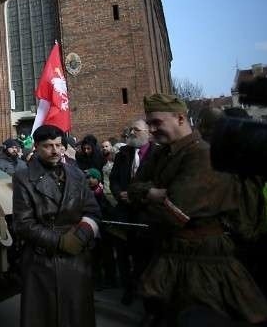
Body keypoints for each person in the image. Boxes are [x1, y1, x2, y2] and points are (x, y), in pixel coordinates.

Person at [128, 93, 267, 325]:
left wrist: (148, 198)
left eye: (157, 123)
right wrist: (150, 193)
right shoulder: (161, 154)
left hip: (205, 269)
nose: (151, 130)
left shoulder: (202, 154)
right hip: (172, 260)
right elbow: (132, 188)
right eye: (149, 123)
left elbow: (173, 213)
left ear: (181, 119)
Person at [12, 124, 101, 327]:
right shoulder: (23, 178)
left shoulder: (77, 175)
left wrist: (80, 236)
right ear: (36, 146)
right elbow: (23, 224)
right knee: (45, 316)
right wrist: (60, 242)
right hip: (42, 259)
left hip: (77, 258)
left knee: (76, 315)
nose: (55, 150)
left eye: (59, 145)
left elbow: (93, 211)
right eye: (48, 145)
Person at [109, 118, 158, 306]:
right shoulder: (123, 153)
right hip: (123, 214)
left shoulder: (158, 154)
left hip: (145, 215)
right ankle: (128, 289)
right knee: (122, 254)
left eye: (136, 130)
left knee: (144, 257)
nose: (131, 133)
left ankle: (147, 296)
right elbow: (114, 179)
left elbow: (159, 182)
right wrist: (118, 193)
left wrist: (137, 197)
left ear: (147, 132)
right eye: (130, 130)